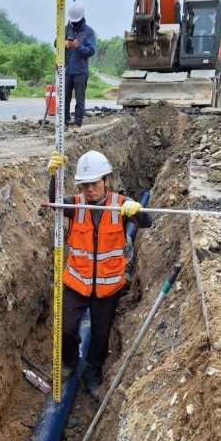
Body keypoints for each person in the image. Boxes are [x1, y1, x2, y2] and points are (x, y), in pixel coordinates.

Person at [47, 149, 152, 396]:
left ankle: (93, 372)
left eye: (94, 183)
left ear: (107, 180)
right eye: (84, 185)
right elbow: (55, 203)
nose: (89, 190)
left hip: (108, 286)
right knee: (67, 328)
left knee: (101, 335)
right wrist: (53, 178)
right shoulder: (76, 204)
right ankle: (71, 362)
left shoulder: (120, 204)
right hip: (76, 282)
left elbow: (146, 224)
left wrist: (137, 210)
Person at [64, 2, 95, 128]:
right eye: (73, 22)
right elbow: (56, 43)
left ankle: (77, 124)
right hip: (67, 70)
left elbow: (91, 51)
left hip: (80, 71)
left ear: (82, 18)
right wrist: (63, 42)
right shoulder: (67, 28)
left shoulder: (89, 32)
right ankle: (65, 121)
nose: (74, 24)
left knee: (79, 100)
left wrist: (78, 46)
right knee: (65, 98)